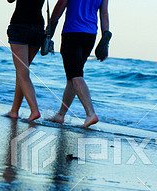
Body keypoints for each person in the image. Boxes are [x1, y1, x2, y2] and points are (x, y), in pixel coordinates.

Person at [47, 0, 111, 128]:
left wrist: (50, 27)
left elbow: (61, 4)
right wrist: (105, 40)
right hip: (90, 35)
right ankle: (60, 115)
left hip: (72, 33)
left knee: (75, 75)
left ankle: (90, 114)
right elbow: (103, 13)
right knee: (72, 76)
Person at [6, 0, 46, 121]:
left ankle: (34, 110)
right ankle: (14, 110)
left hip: (20, 24)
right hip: (38, 27)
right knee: (22, 72)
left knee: (23, 74)